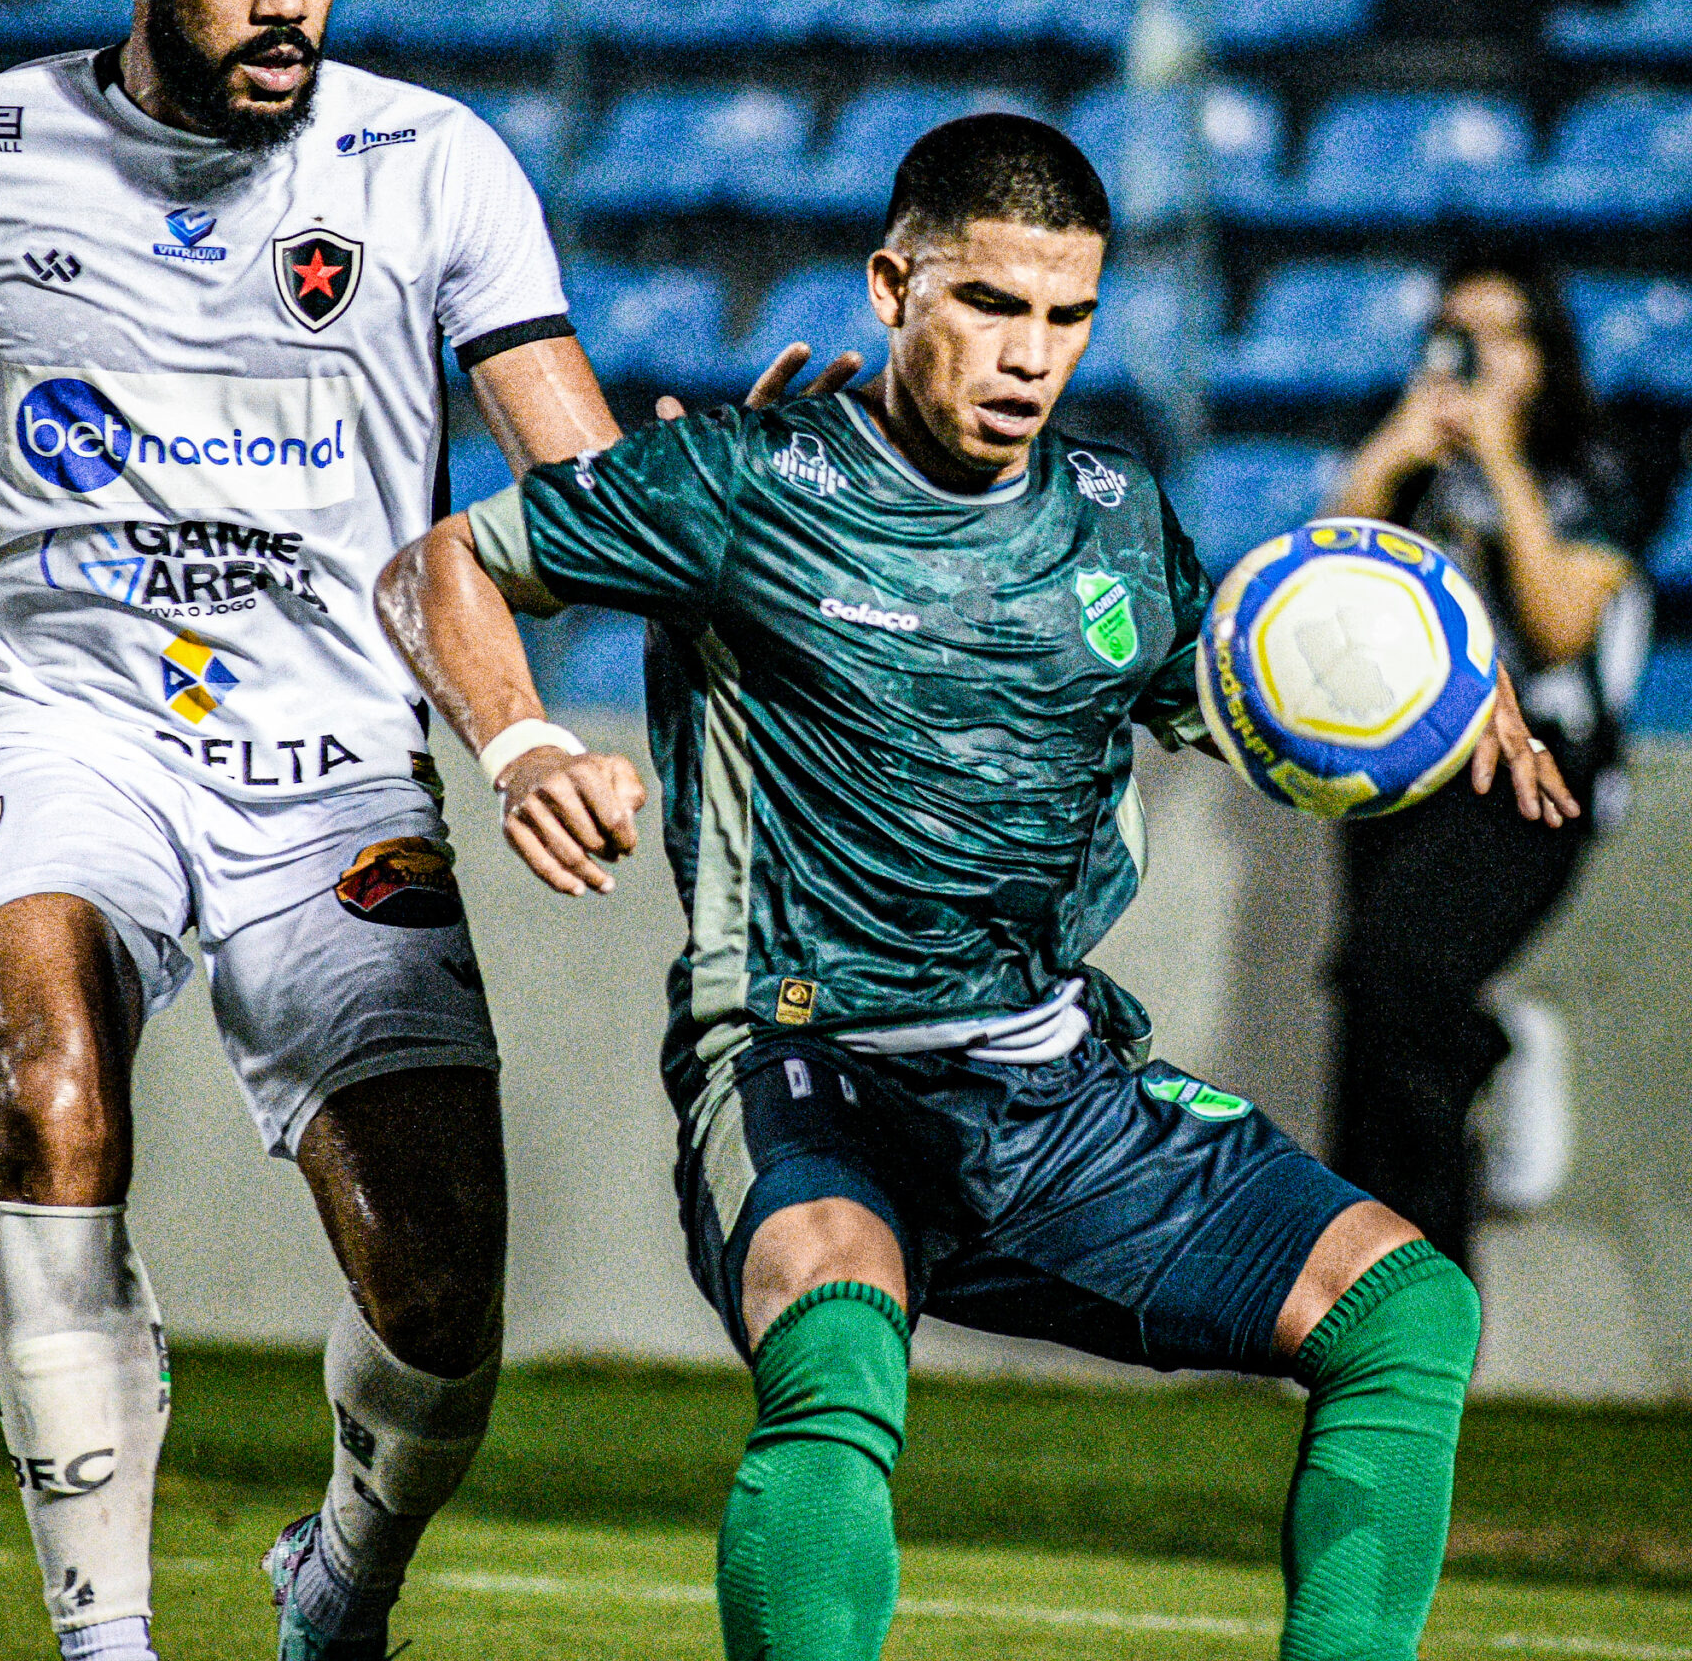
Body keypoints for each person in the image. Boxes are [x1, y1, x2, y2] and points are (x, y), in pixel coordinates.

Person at [376, 115, 1578, 1661]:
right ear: (893, 286)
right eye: (991, 306)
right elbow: (441, 568)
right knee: (838, 1346)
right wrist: (526, 746)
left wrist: (1409, 679)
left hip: (1050, 1090)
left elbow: (1237, 691)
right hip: (810, 1066)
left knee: (1408, 1314)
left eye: (1067, 316)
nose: (1032, 357)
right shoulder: (749, 479)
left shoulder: (1114, 518)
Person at [0, 0, 632, 1661]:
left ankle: (342, 1576)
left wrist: (725, 518)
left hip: (335, 773)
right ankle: (107, 1638)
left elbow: (576, 470)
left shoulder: (431, 163)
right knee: (51, 1093)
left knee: (444, 1291)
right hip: (63, 729)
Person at [1324, 249, 1650, 1272]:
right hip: (1401, 764)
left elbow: (1557, 624)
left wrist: (1502, 461)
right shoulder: (1412, 462)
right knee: (1373, 1013)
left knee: (1394, 971)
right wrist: (1388, 456)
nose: (1469, 354)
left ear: (1544, 356)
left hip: (1532, 767)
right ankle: (1362, 1294)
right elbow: (1322, 591)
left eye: (1497, 334)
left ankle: (1430, 1262)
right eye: (1453, 330)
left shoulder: (1593, 468)